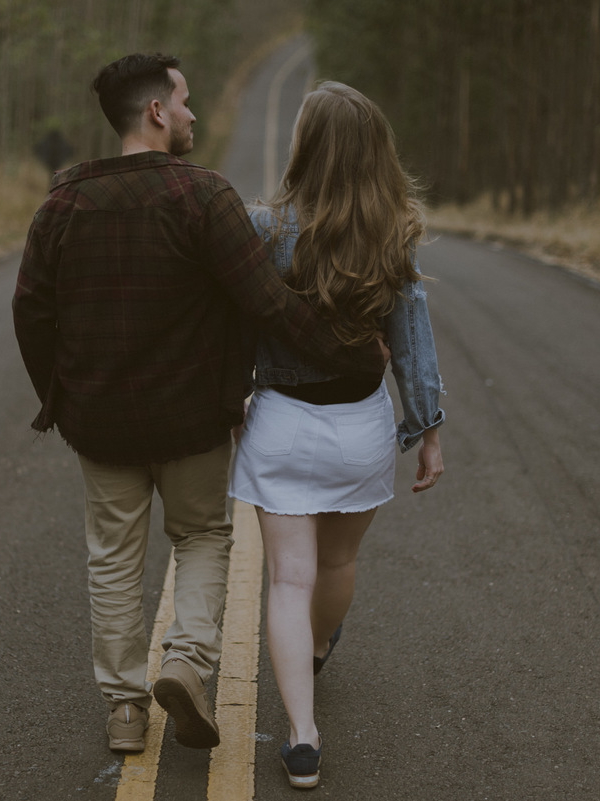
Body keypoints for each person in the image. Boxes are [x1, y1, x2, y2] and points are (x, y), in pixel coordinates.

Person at [12, 55, 389, 754]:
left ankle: (125, 709)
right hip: (192, 422)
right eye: (184, 101)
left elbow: (31, 310)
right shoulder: (206, 197)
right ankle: (186, 660)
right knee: (204, 537)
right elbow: (267, 303)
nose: (192, 114)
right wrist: (352, 353)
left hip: (102, 424)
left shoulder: (64, 202)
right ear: (157, 112)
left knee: (114, 556)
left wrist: (58, 400)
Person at [228, 81, 446, 789]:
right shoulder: (395, 231)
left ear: (305, 146)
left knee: (288, 578)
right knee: (338, 564)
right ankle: (319, 646)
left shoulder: (263, 226)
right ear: (375, 153)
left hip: (283, 421)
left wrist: (227, 398)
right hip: (361, 426)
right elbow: (413, 339)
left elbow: (236, 323)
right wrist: (429, 428)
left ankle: (303, 734)